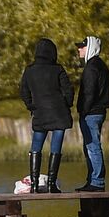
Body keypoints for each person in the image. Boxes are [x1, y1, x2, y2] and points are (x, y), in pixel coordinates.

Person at [19, 38, 74, 193]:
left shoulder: (30, 70)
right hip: (59, 113)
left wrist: (31, 106)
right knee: (55, 148)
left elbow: (23, 91)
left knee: (36, 146)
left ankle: (35, 185)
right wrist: (66, 104)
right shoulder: (57, 69)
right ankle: (51, 184)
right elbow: (68, 90)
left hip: (40, 113)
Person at [74, 35, 109, 191]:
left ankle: (96, 182)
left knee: (92, 147)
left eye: (82, 46)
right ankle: (93, 180)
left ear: (90, 48)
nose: (79, 49)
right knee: (91, 146)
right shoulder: (101, 65)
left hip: (91, 112)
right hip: (99, 111)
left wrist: (82, 110)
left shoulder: (91, 67)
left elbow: (89, 93)